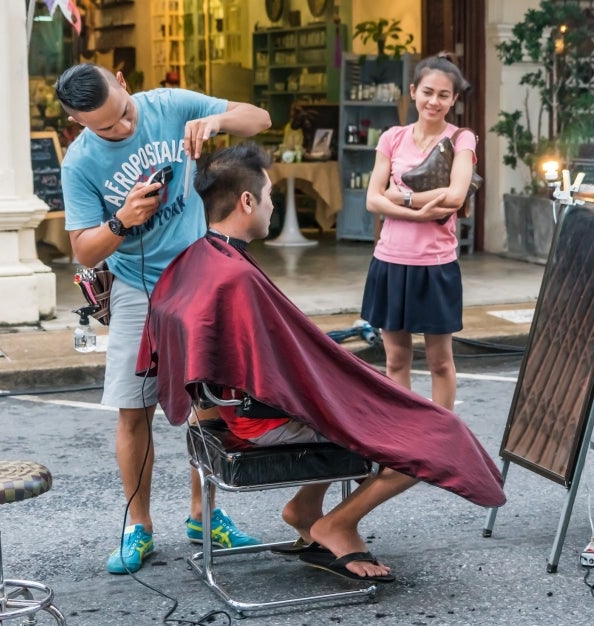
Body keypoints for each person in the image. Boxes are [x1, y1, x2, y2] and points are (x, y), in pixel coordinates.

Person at [136, 142, 505, 583]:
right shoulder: (234, 277)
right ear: (247, 201)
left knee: (378, 402)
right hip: (262, 421)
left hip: (240, 411)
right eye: (270, 198)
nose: (272, 208)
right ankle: (337, 524)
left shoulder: (199, 259)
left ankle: (307, 508)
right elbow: (283, 372)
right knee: (436, 431)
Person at [54, 63, 271, 574]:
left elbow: (258, 118)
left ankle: (205, 515)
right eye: (106, 127)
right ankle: (139, 526)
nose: (123, 129)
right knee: (134, 410)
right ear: (77, 121)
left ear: (124, 85)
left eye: (124, 114)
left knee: (210, 398)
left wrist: (217, 122)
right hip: (136, 286)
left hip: (201, 272)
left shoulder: (168, 105)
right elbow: (85, 250)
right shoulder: (79, 163)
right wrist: (121, 221)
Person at [360, 54, 477, 412]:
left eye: (444, 95)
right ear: (413, 92)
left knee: (440, 361)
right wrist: (420, 211)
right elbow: (371, 200)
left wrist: (404, 197)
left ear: (454, 100)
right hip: (390, 261)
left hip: (436, 265)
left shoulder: (461, 138)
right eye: (427, 92)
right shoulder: (392, 138)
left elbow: (456, 196)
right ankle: (406, 440)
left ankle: (442, 440)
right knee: (396, 360)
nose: (434, 101)